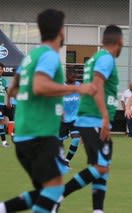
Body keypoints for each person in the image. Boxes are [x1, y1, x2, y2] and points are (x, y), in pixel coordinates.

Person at [0, 9, 96, 213]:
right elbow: (40, 86)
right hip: (40, 135)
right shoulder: (49, 57)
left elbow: (14, 89)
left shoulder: (31, 56)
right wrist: (76, 88)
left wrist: (52, 105)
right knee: (53, 193)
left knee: (50, 192)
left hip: (25, 134)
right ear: (61, 31)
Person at [62, 25, 123, 213]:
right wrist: (105, 117)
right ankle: (58, 195)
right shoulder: (106, 58)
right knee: (100, 167)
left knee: (102, 167)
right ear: (119, 42)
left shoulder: (96, 58)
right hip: (94, 119)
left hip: (92, 118)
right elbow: (96, 86)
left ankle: (98, 210)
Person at [59, 69, 81, 165]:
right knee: (59, 142)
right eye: (72, 76)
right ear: (67, 76)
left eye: (75, 76)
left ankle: (66, 161)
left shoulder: (78, 85)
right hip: (62, 119)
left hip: (75, 119)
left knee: (76, 140)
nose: (74, 78)